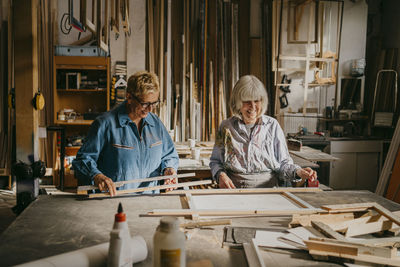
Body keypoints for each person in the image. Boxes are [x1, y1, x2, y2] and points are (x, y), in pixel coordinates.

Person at [72, 71, 179, 196]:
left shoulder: (155, 124)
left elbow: (169, 155)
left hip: (149, 200)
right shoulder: (105, 124)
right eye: (145, 103)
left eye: (154, 103)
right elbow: (82, 160)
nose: (150, 109)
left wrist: (169, 169)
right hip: (115, 202)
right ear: (129, 97)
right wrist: (96, 175)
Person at [209, 75, 317, 188]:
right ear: (238, 103)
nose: (253, 106)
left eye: (257, 100)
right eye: (247, 101)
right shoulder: (226, 127)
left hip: (268, 191)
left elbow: (283, 164)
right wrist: (221, 175)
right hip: (234, 190)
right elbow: (215, 161)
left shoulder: (272, 126)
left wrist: (298, 172)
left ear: (263, 101)